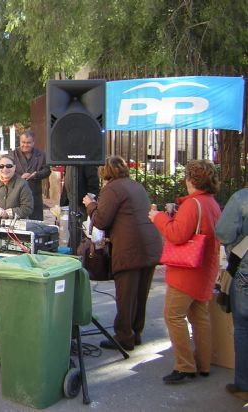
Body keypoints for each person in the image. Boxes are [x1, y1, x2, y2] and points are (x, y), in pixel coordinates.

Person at [149, 159, 221, 384]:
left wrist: (158, 218)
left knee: (174, 315)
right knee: (200, 317)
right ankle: (204, 364)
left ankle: (185, 365)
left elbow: (177, 234)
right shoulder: (211, 203)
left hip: (187, 271)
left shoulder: (193, 204)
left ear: (191, 179)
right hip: (204, 268)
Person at [84, 155, 162, 352]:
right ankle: (136, 332)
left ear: (106, 172)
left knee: (126, 294)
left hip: (129, 247)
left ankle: (124, 336)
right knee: (140, 293)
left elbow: (102, 220)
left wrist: (91, 205)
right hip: (149, 244)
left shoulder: (112, 188)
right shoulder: (136, 186)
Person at [215, 186, 248, 401]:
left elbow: (224, 232)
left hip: (245, 271)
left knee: (244, 328)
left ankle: (244, 384)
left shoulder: (242, 198)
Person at [12, 130, 51, 221]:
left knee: (36, 222)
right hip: (17, 194)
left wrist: (36, 174)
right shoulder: (13, 155)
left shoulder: (41, 154)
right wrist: (19, 177)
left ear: (33, 143)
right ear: (20, 141)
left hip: (35, 193)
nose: (25, 145)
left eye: (28, 143)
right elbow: (6, 171)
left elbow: (47, 170)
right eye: (23, 142)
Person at [0, 154, 33, 223]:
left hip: (18, 226)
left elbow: (27, 208)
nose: (5, 169)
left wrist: (9, 213)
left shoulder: (22, 184)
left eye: (9, 166)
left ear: (14, 167)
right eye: (1, 166)